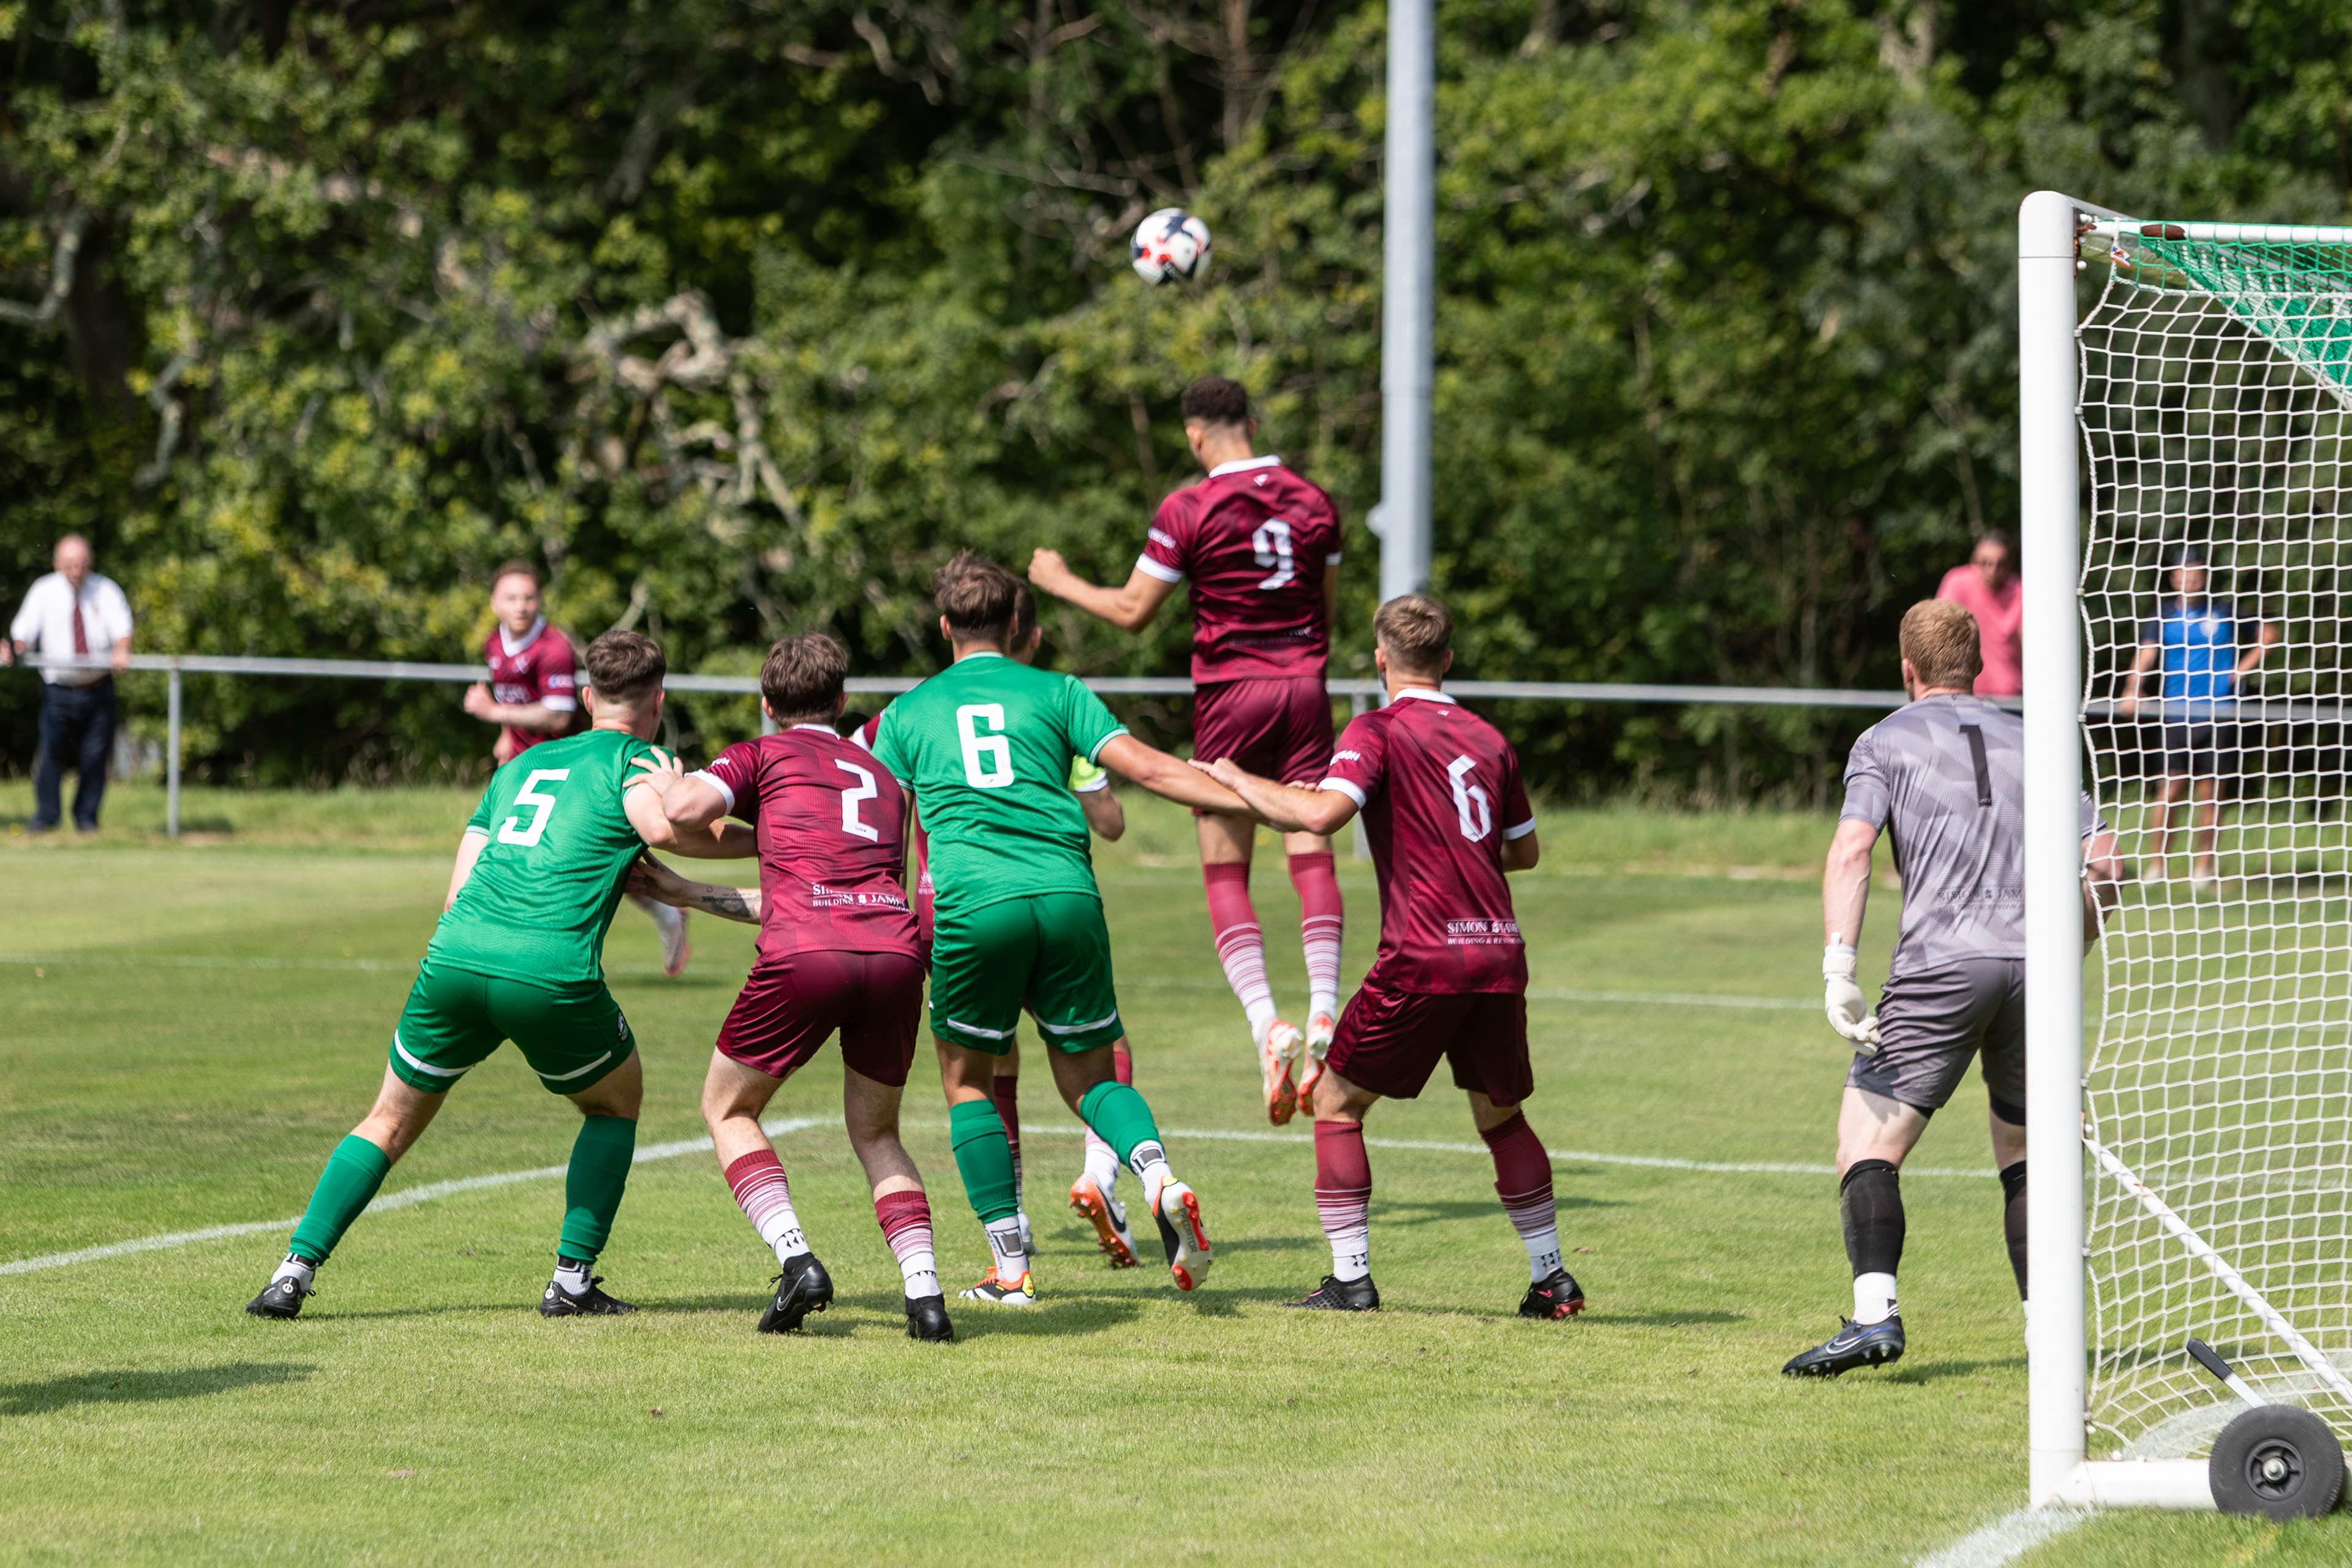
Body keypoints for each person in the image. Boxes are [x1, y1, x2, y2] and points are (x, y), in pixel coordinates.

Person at [244, 631, 750, 1322]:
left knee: (388, 1118)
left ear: (583, 697)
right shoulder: (643, 758)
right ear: (658, 701)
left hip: (454, 957)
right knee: (615, 1101)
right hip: (548, 972)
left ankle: (291, 1273)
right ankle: (572, 1282)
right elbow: (663, 826)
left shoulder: (522, 767)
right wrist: (772, 832)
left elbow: (456, 892)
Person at [867, 551, 1251, 1305]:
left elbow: (881, 828)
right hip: (1069, 894)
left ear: (944, 627)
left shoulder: (907, 713)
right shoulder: (1061, 691)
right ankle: (1157, 1173)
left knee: (967, 1081)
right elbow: (1146, 769)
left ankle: (1010, 1269)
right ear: (1016, 625)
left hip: (974, 906)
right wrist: (1250, 797)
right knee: (1091, 1076)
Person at [1197, 594, 1583, 1320]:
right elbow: (1524, 850)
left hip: (1424, 953)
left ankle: (1351, 1280)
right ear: (1448, 659)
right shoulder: (1490, 737)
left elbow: (1319, 815)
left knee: (1335, 1103)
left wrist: (1238, 780)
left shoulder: (1376, 729)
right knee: (1503, 1117)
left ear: (1381, 660)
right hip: (1498, 951)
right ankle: (1551, 1276)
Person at [1787, 600, 2121, 1378]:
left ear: (1908, 670)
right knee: (2026, 1147)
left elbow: (1851, 850)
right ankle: (2050, 1333)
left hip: (1942, 965)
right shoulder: (2034, 736)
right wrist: (2064, 953)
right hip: (2034, 965)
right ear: (1978, 666)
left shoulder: (1882, 740)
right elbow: (2107, 862)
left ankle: (1875, 1318)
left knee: (1866, 1145)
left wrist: (1839, 968)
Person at [1029, 375, 1348, 1128]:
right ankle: (1328, 1009)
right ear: (1252, 420)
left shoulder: (1190, 505)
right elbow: (1326, 614)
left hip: (1233, 691)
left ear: (1196, 436)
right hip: (1304, 683)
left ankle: (1268, 1023)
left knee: (1224, 864)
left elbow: (1135, 612)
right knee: (1311, 845)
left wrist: (1060, 579)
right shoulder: (1314, 501)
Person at [627, 632, 954, 1343]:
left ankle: (796, 1257)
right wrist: (689, 893)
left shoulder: (761, 752)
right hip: (893, 952)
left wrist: (658, 773)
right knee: (877, 1132)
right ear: (841, 702)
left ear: (768, 704)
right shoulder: (882, 775)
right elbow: (835, 891)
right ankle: (926, 1298)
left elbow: (684, 813)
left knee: (727, 1108)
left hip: (808, 952)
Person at [461, 560, 693, 974]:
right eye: (512, 598)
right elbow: (515, 702)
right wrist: (504, 734)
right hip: (524, 769)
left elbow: (555, 715)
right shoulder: (493, 645)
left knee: (579, 856)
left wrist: (492, 713)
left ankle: (663, 910)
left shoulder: (553, 649)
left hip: (569, 769)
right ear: (494, 602)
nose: (522, 606)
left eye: (530, 597)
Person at [2117, 546, 2279, 889]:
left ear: (2205, 577)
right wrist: (2133, 686)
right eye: (2184, 575)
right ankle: (2156, 866)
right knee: (2170, 790)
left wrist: (2240, 670)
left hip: (2219, 713)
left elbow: (2269, 634)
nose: (2190, 581)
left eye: (2197, 574)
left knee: (2212, 793)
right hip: (2176, 713)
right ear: (2174, 579)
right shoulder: (2162, 616)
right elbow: (2146, 654)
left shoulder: (2225, 612)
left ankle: (2203, 869)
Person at [6, 535, 135, 833]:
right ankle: (47, 818)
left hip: (98, 688)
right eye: (70, 565)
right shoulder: (44, 591)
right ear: (57, 564)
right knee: (51, 753)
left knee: (94, 757)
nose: (76, 571)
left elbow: (122, 631)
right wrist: (15, 648)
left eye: (82, 564)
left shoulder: (106, 590)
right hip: (58, 691)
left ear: (90, 563)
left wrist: (122, 648)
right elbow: (23, 634)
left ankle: (86, 820)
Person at [1934, 532, 2022, 698]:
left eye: (2000, 564)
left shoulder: (2019, 590)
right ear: (1973, 560)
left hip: (2011, 698)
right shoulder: (1957, 583)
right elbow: (1938, 633)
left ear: (2010, 564)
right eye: (1985, 563)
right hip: (1965, 694)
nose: (1992, 570)